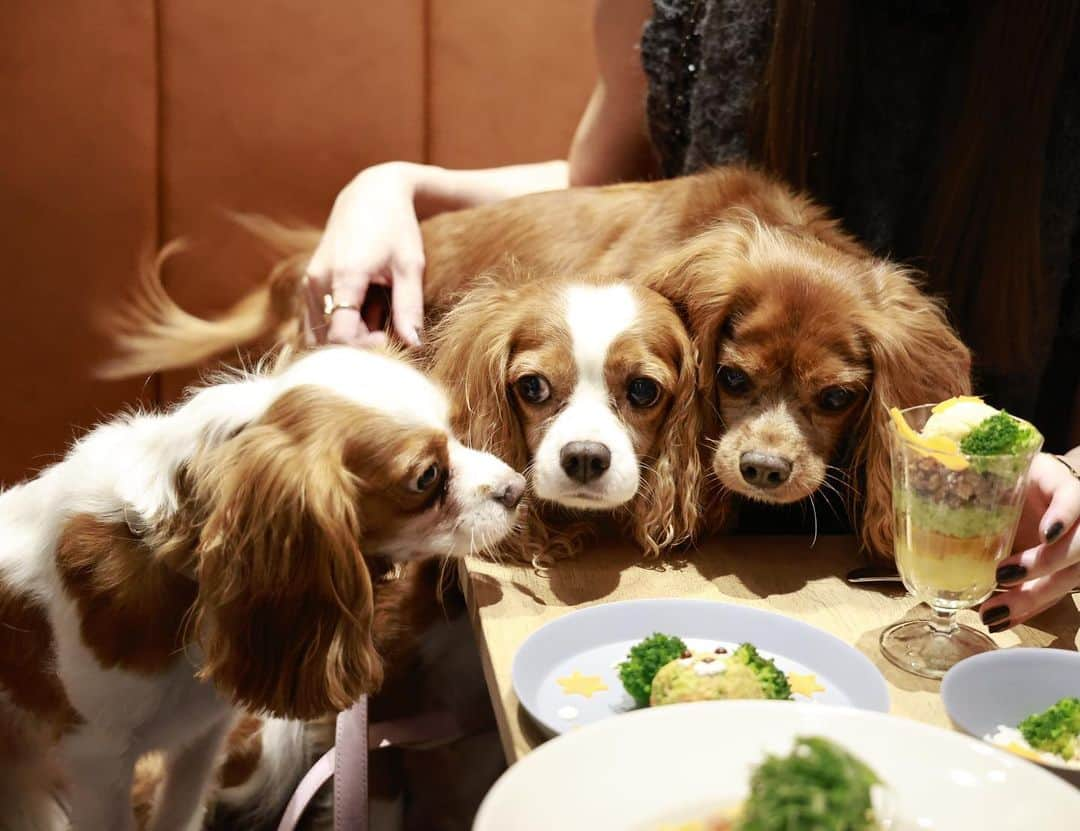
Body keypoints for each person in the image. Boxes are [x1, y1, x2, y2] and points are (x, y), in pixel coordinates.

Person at [301, 0, 1080, 631]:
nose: (770, 452)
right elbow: (591, 190)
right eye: (735, 378)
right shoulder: (693, 24)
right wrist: (395, 185)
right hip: (676, 547)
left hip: (974, 536)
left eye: (832, 396)